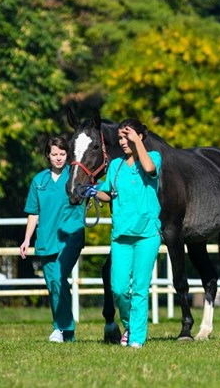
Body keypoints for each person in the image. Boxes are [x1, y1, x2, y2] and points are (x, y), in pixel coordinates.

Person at [84, 119, 162, 349]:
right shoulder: (116, 165)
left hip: (147, 234)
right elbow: (109, 193)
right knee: (118, 288)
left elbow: (150, 169)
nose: (123, 142)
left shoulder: (153, 157)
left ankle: (136, 338)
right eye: (120, 138)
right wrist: (92, 191)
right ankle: (129, 325)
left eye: (127, 137)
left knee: (139, 287)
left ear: (139, 137)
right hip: (121, 235)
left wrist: (137, 142)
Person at [20, 136, 85, 343]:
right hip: (46, 240)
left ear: (68, 155)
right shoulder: (39, 181)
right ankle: (68, 333)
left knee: (58, 277)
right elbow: (33, 213)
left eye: (62, 154)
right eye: (54, 154)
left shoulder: (76, 176)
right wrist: (26, 239)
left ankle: (61, 327)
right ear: (47, 156)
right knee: (54, 285)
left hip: (70, 237)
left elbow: (99, 187)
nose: (58, 158)